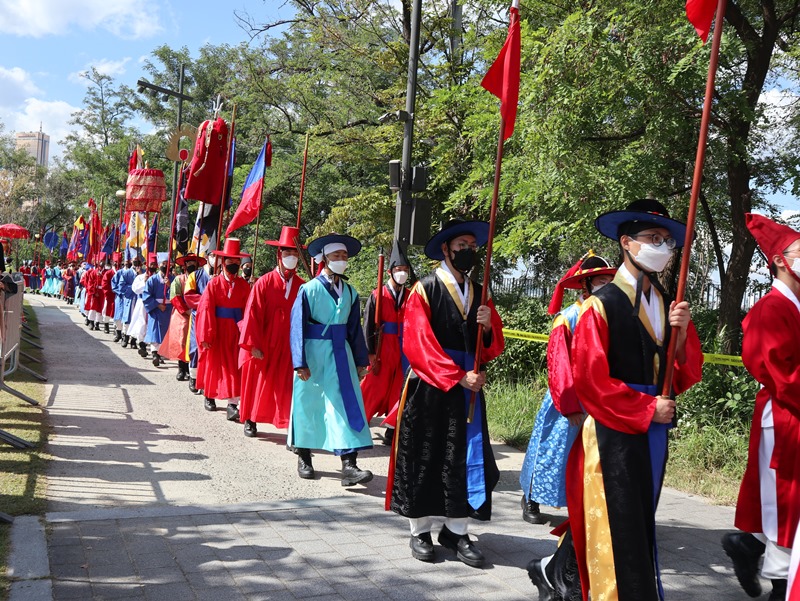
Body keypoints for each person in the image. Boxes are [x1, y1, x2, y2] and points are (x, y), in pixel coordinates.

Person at [529, 199, 704, 601]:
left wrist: (685, 333)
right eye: (652, 238)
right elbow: (592, 381)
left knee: (634, 518)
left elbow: (682, 371)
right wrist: (646, 409)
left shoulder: (663, 303)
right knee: (615, 521)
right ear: (627, 242)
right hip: (614, 427)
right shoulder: (599, 307)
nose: (661, 246)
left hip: (652, 430)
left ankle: (552, 571)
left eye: (666, 240)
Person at [387, 219, 505, 568]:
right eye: (462, 246)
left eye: (472, 246)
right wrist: (457, 377)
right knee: (425, 455)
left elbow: (492, 344)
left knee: (463, 457)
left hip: (469, 385)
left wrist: (486, 327)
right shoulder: (424, 289)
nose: (468, 251)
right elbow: (418, 343)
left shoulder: (480, 292)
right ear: (446, 249)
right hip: (431, 383)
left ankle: (457, 530)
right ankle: (420, 529)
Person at [721, 213, 800, 601]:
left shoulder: (794, 305)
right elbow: (783, 372)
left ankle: (748, 546)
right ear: (781, 260)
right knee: (786, 503)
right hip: (787, 416)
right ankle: (782, 587)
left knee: (785, 505)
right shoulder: (771, 309)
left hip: (793, 413)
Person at [519, 252, 616, 527]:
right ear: (586, 286)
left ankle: (584, 504)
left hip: (599, 399)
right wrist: (570, 405)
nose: (606, 286)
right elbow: (559, 363)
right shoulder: (568, 317)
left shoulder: (612, 316)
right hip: (568, 398)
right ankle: (530, 498)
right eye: (601, 281)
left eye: (610, 280)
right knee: (552, 449)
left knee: (590, 455)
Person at [289, 233, 373, 486]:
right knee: (309, 404)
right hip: (314, 354)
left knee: (346, 404)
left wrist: (360, 361)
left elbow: (354, 329)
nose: (342, 260)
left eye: (345, 256)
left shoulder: (350, 291)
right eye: (336, 255)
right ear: (324, 259)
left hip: (341, 353)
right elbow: (297, 327)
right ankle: (304, 456)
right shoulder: (308, 289)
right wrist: (299, 361)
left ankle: (349, 464)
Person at [238, 226, 305, 438]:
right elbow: (252, 314)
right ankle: (250, 418)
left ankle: (290, 425)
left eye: (295, 253)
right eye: (288, 253)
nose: (292, 257)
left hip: (289, 344)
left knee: (286, 385)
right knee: (257, 380)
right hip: (265, 341)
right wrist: (253, 345)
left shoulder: (303, 286)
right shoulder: (263, 283)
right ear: (279, 255)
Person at [360, 240, 411, 445]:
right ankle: (359, 423)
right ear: (390, 271)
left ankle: (392, 428)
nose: (402, 273)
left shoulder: (411, 295)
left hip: (403, 349)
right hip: (382, 347)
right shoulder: (377, 295)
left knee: (399, 389)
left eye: (405, 270)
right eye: (399, 269)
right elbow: (368, 326)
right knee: (373, 386)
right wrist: (370, 353)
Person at [196, 239, 252, 418]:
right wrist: (206, 334)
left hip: (236, 330)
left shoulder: (244, 285)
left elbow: (249, 310)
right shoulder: (213, 284)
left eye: (237, 262)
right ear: (223, 262)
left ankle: (232, 404)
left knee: (235, 366)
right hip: (217, 329)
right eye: (230, 262)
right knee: (214, 363)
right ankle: (209, 395)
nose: (234, 265)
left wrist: (247, 332)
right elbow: (205, 308)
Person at [159, 255, 204, 381]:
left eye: (193, 263)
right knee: (181, 340)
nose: (191, 265)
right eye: (189, 263)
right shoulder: (179, 279)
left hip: (197, 314)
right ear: (184, 266)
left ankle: (192, 369)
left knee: (194, 343)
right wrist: (186, 310)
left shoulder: (201, 279)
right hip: (181, 314)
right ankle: (181, 368)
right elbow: (174, 297)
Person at [183, 252, 216, 394]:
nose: (215, 259)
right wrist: (206, 300)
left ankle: (209, 381)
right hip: (200, 316)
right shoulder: (194, 276)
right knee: (196, 348)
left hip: (217, 317)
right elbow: (189, 296)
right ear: (207, 257)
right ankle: (194, 376)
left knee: (214, 351)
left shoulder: (223, 276)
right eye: (212, 255)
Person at [142, 259, 173, 366]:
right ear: (159, 265)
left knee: (166, 332)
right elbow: (146, 295)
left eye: (167, 263)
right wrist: (158, 305)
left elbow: (178, 293)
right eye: (163, 263)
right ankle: (155, 354)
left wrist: (170, 286)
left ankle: (162, 352)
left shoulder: (173, 279)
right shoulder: (152, 280)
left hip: (169, 308)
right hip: (156, 308)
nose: (165, 266)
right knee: (155, 330)